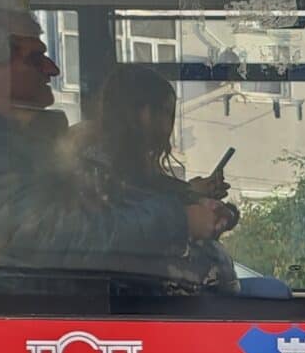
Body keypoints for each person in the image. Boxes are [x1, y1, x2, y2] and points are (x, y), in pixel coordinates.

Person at [0, 9, 220, 295]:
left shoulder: (19, 143)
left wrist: (184, 200)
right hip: (41, 315)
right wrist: (177, 221)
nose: (53, 69)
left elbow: (107, 200)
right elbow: (57, 239)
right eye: (35, 59)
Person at [66, 64, 237, 295]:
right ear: (144, 114)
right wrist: (185, 220)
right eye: (166, 113)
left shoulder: (119, 161)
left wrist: (193, 194)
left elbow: (147, 190)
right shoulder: (93, 169)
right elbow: (117, 229)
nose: (169, 127)